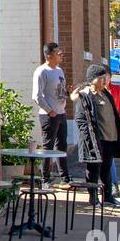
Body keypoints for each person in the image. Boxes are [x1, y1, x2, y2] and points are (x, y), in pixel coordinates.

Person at [71, 65, 120, 207]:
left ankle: (108, 196)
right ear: (92, 80)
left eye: (105, 77)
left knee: (107, 168)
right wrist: (89, 138)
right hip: (96, 139)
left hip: (110, 138)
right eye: (101, 78)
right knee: (93, 169)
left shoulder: (106, 93)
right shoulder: (85, 96)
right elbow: (80, 119)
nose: (104, 80)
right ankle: (93, 197)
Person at [32, 42, 70, 183]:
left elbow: (59, 91)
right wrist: (49, 111)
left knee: (62, 146)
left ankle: (65, 178)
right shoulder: (41, 71)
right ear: (49, 56)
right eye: (58, 53)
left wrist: (67, 91)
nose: (61, 56)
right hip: (49, 115)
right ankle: (45, 179)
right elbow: (37, 96)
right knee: (48, 147)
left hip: (61, 112)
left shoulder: (59, 71)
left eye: (60, 53)